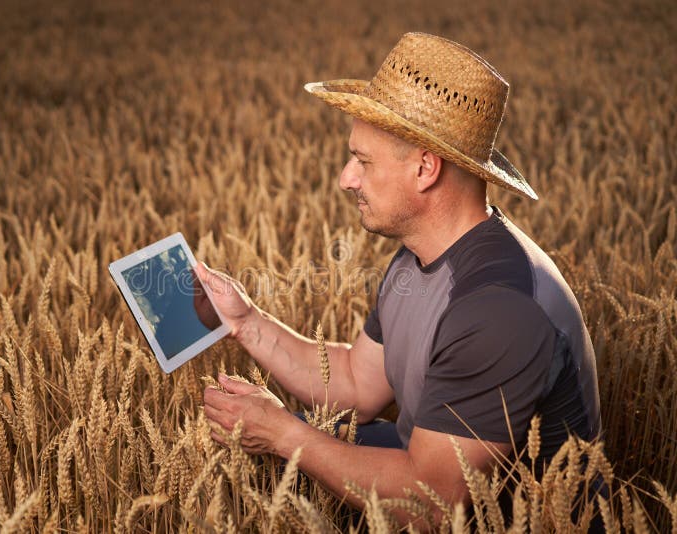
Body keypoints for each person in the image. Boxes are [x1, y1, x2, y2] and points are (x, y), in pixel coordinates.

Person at [199, 32, 601, 527]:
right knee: (242, 453)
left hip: (512, 521)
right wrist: (246, 322)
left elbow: (432, 503)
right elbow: (354, 385)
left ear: (426, 169)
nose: (346, 179)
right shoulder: (417, 259)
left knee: (278, 449)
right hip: (430, 473)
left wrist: (285, 434)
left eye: (363, 161)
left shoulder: (498, 308)